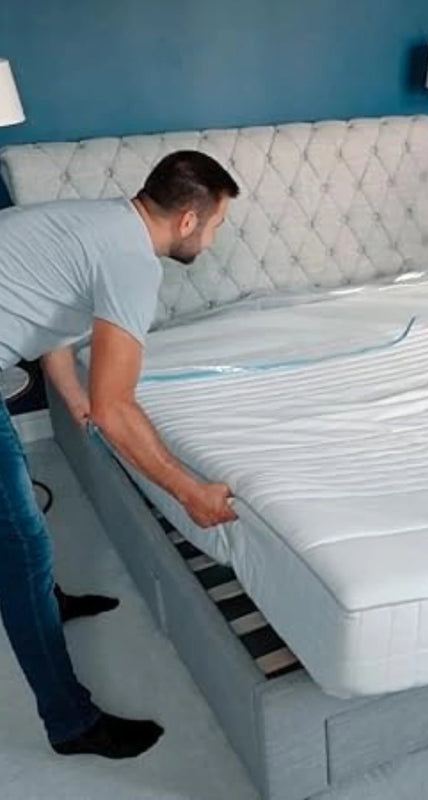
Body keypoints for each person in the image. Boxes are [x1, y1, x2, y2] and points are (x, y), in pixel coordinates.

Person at [0, 150, 240, 759]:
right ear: (188, 219)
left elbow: (51, 317)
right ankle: (71, 724)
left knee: (16, 517)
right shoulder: (133, 262)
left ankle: (42, 597)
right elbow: (117, 409)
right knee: (22, 543)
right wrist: (190, 493)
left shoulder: (102, 221)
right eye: (215, 225)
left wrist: (74, 395)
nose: (212, 239)